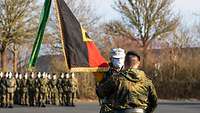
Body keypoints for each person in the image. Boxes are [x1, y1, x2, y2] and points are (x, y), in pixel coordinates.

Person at [97, 48, 125, 113]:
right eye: (116, 59)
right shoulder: (104, 70)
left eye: (121, 58)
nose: (119, 61)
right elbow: (100, 92)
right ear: (111, 59)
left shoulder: (129, 71)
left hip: (125, 107)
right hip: (109, 107)